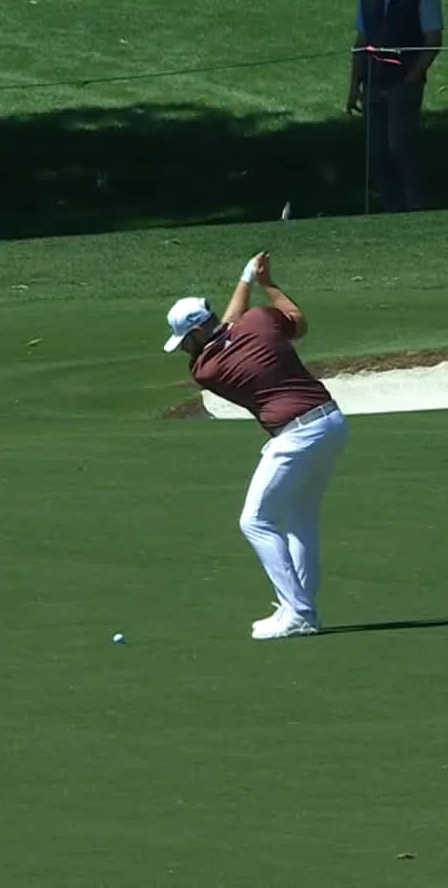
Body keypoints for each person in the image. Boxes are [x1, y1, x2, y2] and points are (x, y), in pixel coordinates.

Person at [162, 252, 349, 640]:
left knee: (255, 520)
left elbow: (227, 327)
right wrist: (261, 281)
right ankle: (298, 607)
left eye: (183, 341)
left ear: (195, 334)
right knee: (300, 517)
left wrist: (246, 280)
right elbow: (296, 321)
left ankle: (298, 612)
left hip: (297, 436)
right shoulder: (260, 321)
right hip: (331, 422)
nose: (183, 349)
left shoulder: (206, 370)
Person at [347, 0, 444, 213]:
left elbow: (433, 40)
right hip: (374, 82)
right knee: (377, 150)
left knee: (400, 144)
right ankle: (393, 209)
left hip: (404, 82)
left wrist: (411, 78)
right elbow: (362, 42)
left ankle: (415, 205)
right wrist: (355, 86)